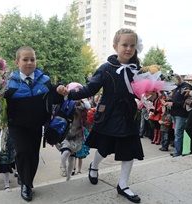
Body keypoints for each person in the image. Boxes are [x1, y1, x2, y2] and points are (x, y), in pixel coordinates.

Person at [57, 28, 144, 203]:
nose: (128, 48)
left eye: (132, 45)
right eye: (124, 44)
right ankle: (94, 166)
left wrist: (151, 94)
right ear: (115, 46)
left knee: (129, 150)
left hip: (128, 115)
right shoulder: (105, 68)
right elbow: (90, 89)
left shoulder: (137, 70)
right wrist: (68, 93)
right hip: (109, 115)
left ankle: (123, 185)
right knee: (104, 148)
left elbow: (140, 91)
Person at [3, 46, 63, 201]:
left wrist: (61, 90)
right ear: (17, 62)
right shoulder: (8, 84)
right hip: (17, 125)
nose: (29, 62)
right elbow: (0, 106)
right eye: (25, 59)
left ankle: (28, 180)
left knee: (33, 154)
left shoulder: (45, 80)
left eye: (32, 59)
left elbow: (55, 98)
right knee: (22, 151)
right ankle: (26, 185)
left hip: (37, 125)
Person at [56, 82, 91, 181]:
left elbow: (88, 109)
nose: (77, 98)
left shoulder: (82, 106)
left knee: (72, 158)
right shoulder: (66, 103)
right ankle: (62, 166)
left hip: (77, 134)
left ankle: (68, 177)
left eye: (79, 95)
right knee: (66, 151)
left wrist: (85, 101)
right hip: (66, 134)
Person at [164, 74, 192, 157]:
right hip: (175, 113)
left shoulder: (186, 87)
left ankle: (178, 152)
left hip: (181, 113)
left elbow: (186, 101)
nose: (173, 84)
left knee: (178, 134)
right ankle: (177, 151)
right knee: (177, 133)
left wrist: (173, 103)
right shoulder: (177, 88)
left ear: (178, 79)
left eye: (174, 81)